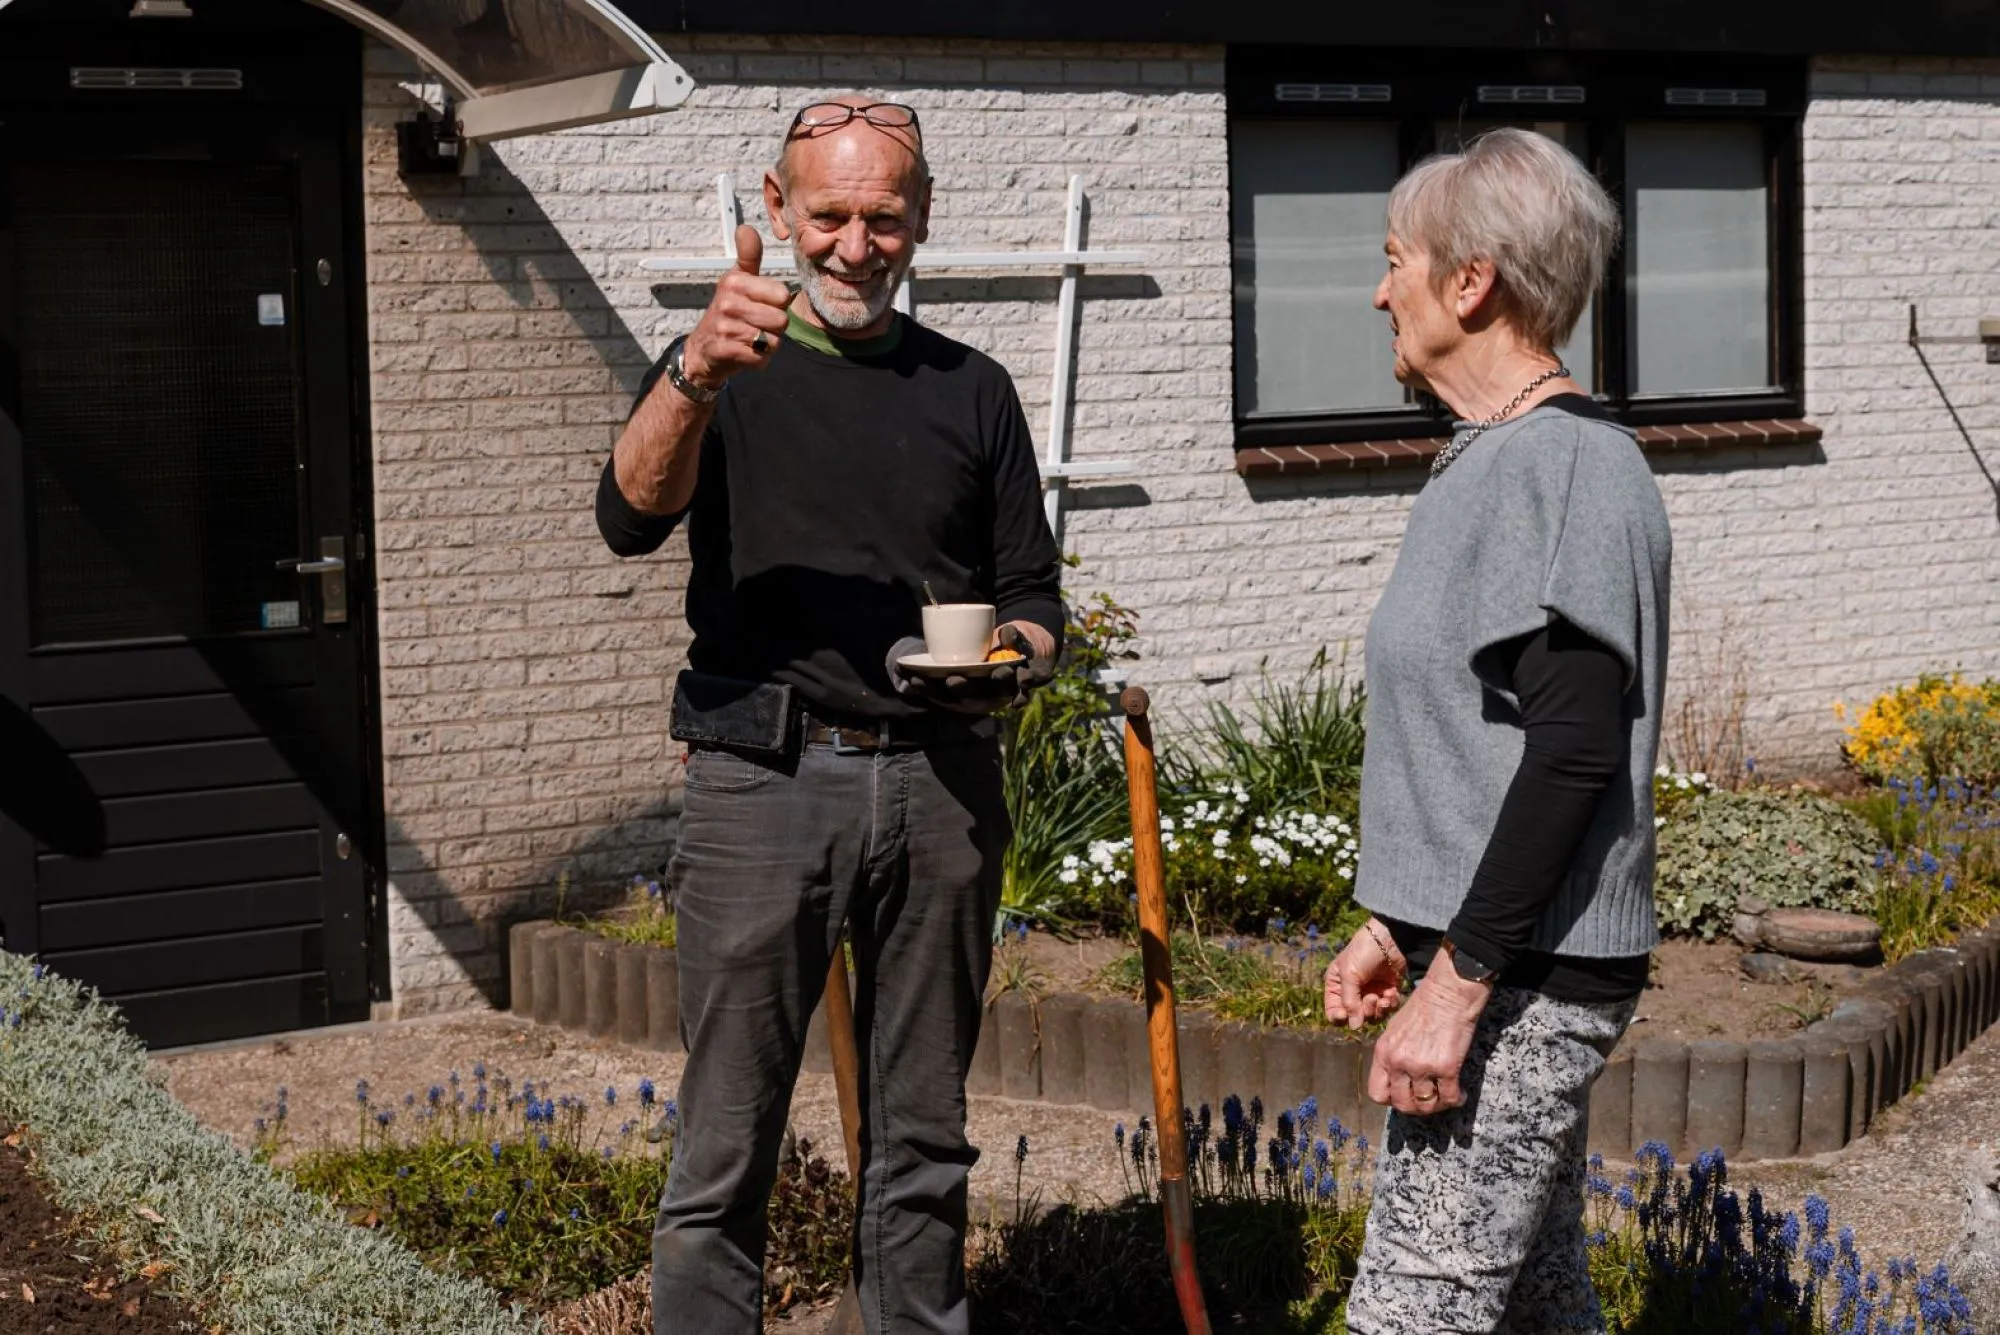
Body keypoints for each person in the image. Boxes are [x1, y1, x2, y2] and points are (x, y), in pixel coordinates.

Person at [595, 96, 1062, 1335]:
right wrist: (693, 370)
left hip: (941, 783)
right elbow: (626, 517)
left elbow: (1034, 596)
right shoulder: (720, 369)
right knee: (726, 1137)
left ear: (920, 224)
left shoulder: (974, 390)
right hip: (763, 778)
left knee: (924, 1136)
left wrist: (1011, 656)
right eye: (829, 216)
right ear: (776, 211)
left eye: (884, 219)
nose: (855, 245)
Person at [1322, 127, 1673, 1334]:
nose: (1377, 289)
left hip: (1522, 977)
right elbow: (1481, 728)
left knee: (1413, 1314)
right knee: (1532, 1304)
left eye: (1393, 260)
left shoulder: (1569, 469)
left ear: (1468, 282)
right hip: (1491, 954)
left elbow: (1574, 749)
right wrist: (1395, 918)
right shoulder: (1485, 457)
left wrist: (1454, 985)